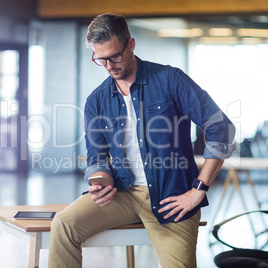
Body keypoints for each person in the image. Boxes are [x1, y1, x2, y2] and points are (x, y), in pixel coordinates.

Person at [48, 13, 236, 268]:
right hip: (123, 193)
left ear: (131, 44)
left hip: (172, 198)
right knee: (63, 225)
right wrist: (101, 180)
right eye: (100, 59)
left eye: (114, 56)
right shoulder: (96, 100)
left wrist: (198, 190)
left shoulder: (170, 80)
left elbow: (221, 128)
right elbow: (97, 157)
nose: (109, 65)